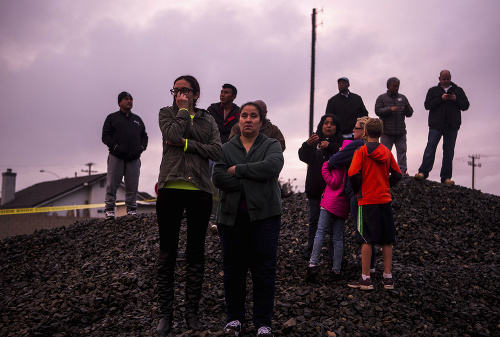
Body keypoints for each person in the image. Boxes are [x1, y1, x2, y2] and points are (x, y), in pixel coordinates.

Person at [155, 75, 222, 335]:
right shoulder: (167, 113)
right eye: (176, 90)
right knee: (167, 253)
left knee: (196, 253)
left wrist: (185, 144)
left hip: (200, 190)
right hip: (170, 186)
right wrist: (182, 113)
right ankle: (165, 315)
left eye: (185, 91)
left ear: (196, 93)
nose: (180, 94)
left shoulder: (208, 119)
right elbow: (170, 133)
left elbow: (217, 151)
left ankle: (191, 313)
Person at [212, 102, 284, 337]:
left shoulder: (271, 144)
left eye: (254, 116)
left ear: (261, 121)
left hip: (265, 218)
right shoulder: (225, 148)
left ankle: (263, 323)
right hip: (231, 219)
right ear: (238, 120)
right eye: (244, 115)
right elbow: (219, 178)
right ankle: (234, 320)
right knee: (233, 270)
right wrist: (254, 176)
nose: (248, 119)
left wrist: (239, 170)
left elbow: (272, 167)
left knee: (264, 270)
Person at [347, 118, 402, 291]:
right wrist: (386, 185)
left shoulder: (361, 152)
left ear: (365, 133)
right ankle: (387, 278)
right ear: (382, 133)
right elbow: (398, 174)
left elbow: (352, 173)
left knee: (366, 239)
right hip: (384, 199)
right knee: (387, 239)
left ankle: (365, 279)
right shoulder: (386, 152)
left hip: (367, 200)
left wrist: (358, 190)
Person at [328, 116, 377, 277]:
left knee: (362, 232)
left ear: (363, 131)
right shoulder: (376, 146)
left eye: (355, 128)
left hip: (358, 194)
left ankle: (366, 274)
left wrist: (342, 152)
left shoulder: (357, 144)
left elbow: (334, 161)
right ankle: (372, 267)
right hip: (373, 194)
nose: (352, 131)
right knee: (370, 229)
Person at [298, 115, 344, 261]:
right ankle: (310, 251)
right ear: (321, 126)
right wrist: (307, 144)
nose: (328, 126)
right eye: (326, 123)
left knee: (333, 225)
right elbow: (303, 156)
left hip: (334, 192)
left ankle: (334, 255)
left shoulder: (340, 143)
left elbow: (344, 154)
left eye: (331, 123)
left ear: (336, 127)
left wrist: (329, 146)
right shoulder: (314, 142)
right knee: (314, 221)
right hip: (315, 190)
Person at [306, 140, 352, 283]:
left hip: (329, 203)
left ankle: (312, 264)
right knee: (338, 238)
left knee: (320, 232)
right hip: (343, 206)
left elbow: (333, 182)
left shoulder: (337, 164)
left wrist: (325, 166)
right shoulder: (352, 166)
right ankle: (336, 271)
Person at [415, 70, 470, 185]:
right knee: (431, 147)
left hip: (452, 125)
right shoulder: (433, 90)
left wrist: (456, 99)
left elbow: (466, 105)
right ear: (439, 78)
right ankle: (423, 173)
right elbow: (427, 105)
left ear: (450, 78)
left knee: (449, 151)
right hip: (436, 125)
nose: (446, 81)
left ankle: (446, 178)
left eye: (448, 79)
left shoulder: (458, 90)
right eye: (444, 79)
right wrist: (441, 99)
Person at [101, 91, 148, 219]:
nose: (129, 101)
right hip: (117, 157)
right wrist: (115, 147)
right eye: (126, 99)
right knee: (112, 184)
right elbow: (105, 136)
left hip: (134, 159)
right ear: (120, 102)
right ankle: (110, 209)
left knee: (132, 185)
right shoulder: (112, 118)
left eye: (131, 99)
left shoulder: (137, 120)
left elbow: (144, 136)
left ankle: (132, 209)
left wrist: (142, 147)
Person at [375, 77, 414, 174]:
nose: (397, 88)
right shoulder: (381, 98)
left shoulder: (403, 98)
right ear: (388, 86)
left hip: (400, 131)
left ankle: (402, 171)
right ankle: (384, 171)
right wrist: (390, 109)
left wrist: (407, 110)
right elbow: (377, 111)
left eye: (398, 86)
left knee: (402, 152)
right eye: (394, 86)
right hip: (386, 132)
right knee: (385, 153)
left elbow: (410, 113)